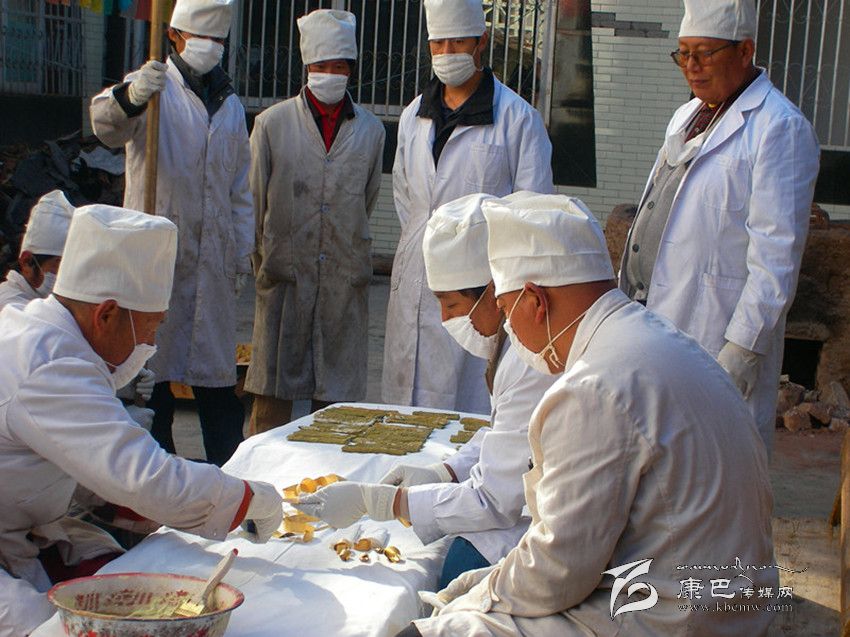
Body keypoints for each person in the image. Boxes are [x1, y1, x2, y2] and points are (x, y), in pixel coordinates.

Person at [395, 193, 777, 636]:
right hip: (728, 599)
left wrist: (478, 596)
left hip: (676, 617)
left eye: (505, 310)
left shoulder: (593, 387)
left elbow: (557, 574)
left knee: (432, 630)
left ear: (534, 300)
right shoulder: (656, 339)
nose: (509, 329)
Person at [0, 205, 283, 637]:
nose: (150, 342)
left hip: (24, 528)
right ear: (106, 314)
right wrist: (246, 500)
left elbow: (88, 472)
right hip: (12, 539)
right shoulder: (49, 361)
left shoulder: (49, 337)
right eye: (151, 327)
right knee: (56, 627)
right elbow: (145, 477)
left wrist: (160, 510)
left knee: (126, 571)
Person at [297, 193, 556, 587]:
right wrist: (445, 470)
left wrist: (383, 502)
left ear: (493, 291)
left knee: (461, 565)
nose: (445, 318)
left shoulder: (529, 358)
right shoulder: (514, 342)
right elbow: (508, 434)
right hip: (545, 494)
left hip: (566, 517)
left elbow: (495, 500)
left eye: (450, 304)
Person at [619, 0, 820, 454]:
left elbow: (776, 259)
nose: (691, 66)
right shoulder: (688, 115)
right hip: (653, 326)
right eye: (683, 53)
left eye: (704, 53)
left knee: (710, 467)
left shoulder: (778, 128)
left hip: (712, 336)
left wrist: (741, 351)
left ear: (745, 51)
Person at [90, 0, 252, 466]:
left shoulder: (231, 105)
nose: (210, 47)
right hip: (157, 261)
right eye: (201, 37)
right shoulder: (153, 90)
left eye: (217, 39)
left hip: (213, 263)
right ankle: (158, 480)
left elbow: (240, 189)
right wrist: (132, 96)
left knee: (217, 389)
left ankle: (227, 477)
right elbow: (105, 126)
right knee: (153, 382)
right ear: (175, 36)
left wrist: (241, 252)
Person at [382, 0, 554, 414]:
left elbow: (532, 214)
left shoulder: (518, 119)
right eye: (438, 43)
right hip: (414, 279)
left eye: (458, 42)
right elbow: (408, 199)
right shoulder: (413, 116)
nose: (447, 53)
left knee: (466, 412)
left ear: (482, 41)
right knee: (403, 417)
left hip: (480, 293)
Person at [244, 9, 385, 434]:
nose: (330, 74)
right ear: (307, 67)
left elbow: (365, 199)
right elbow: (253, 203)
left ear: (351, 70)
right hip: (284, 280)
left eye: (339, 66)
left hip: (343, 281)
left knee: (335, 411)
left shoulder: (371, 131)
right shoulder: (272, 124)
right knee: (271, 407)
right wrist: (265, 264)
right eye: (322, 65)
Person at [0, 190, 73, 311]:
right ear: (27, 262)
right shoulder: (10, 306)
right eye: (60, 266)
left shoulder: (41, 301)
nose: (67, 275)